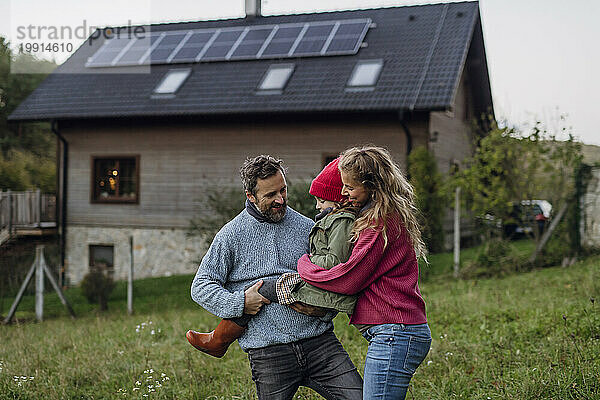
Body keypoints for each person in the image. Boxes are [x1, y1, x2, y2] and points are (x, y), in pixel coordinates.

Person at [188, 155, 363, 400]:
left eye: (283, 190)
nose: (280, 200)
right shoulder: (230, 235)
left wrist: (324, 310)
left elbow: (330, 275)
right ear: (250, 196)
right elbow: (201, 287)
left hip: (320, 343)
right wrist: (240, 303)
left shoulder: (306, 227)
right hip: (268, 353)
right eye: (270, 195)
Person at [296, 146, 432, 400]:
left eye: (349, 187)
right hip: (399, 331)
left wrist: (304, 265)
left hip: (395, 333)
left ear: (372, 185)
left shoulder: (377, 223)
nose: (344, 193)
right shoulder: (385, 215)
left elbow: (348, 279)